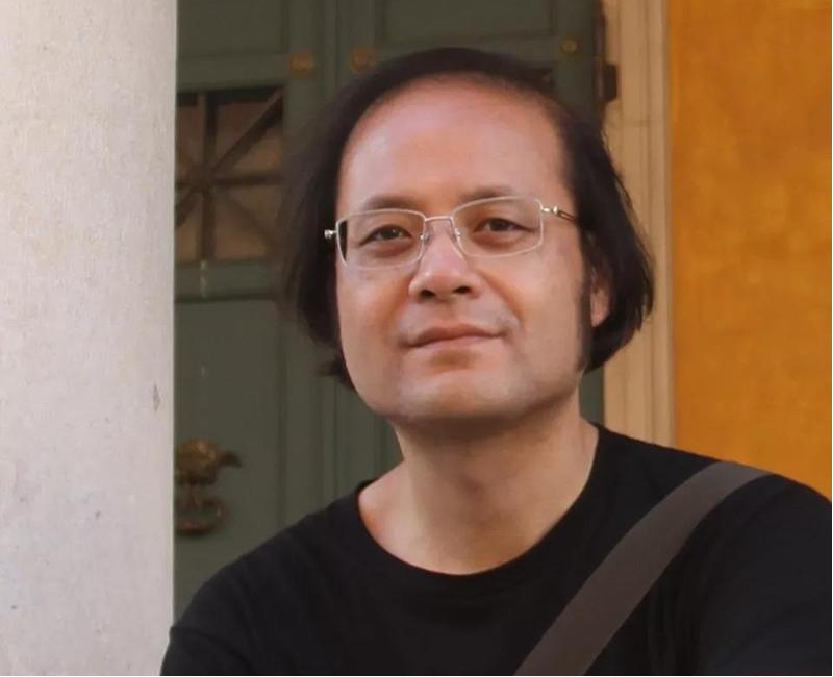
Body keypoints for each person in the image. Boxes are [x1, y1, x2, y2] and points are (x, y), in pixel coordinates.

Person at [161, 48, 831, 676]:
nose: (440, 274)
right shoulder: (247, 627)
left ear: (596, 280)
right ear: (332, 297)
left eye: (499, 225)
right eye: (387, 234)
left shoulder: (763, 550)